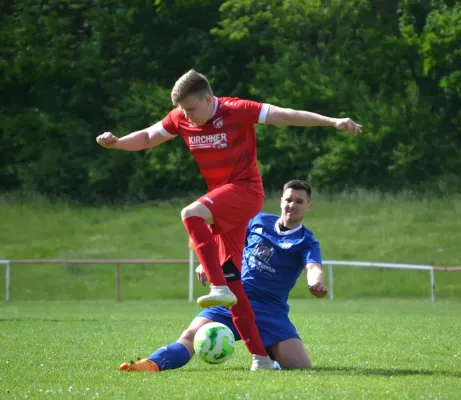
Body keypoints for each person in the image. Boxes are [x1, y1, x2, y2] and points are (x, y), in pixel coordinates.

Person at [97, 70, 360, 370]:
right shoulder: (182, 118)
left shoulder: (236, 109)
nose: (186, 116)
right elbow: (146, 137)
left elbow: (286, 115)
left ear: (209, 99)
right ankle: (254, 359)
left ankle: (220, 289)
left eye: (192, 109)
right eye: (183, 110)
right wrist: (117, 143)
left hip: (245, 192)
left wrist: (332, 121)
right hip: (224, 207)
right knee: (230, 286)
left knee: (190, 213)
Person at [119, 180, 327, 372]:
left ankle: (269, 352)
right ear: (281, 201)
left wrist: (315, 283)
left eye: (299, 201)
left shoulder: (306, 241)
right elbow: (227, 242)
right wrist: (208, 263)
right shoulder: (258, 221)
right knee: (189, 337)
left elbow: (313, 267)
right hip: (234, 299)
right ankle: (151, 364)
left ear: (308, 206)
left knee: (301, 367)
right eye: (289, 200)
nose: (292, 205)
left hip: (270, 310)